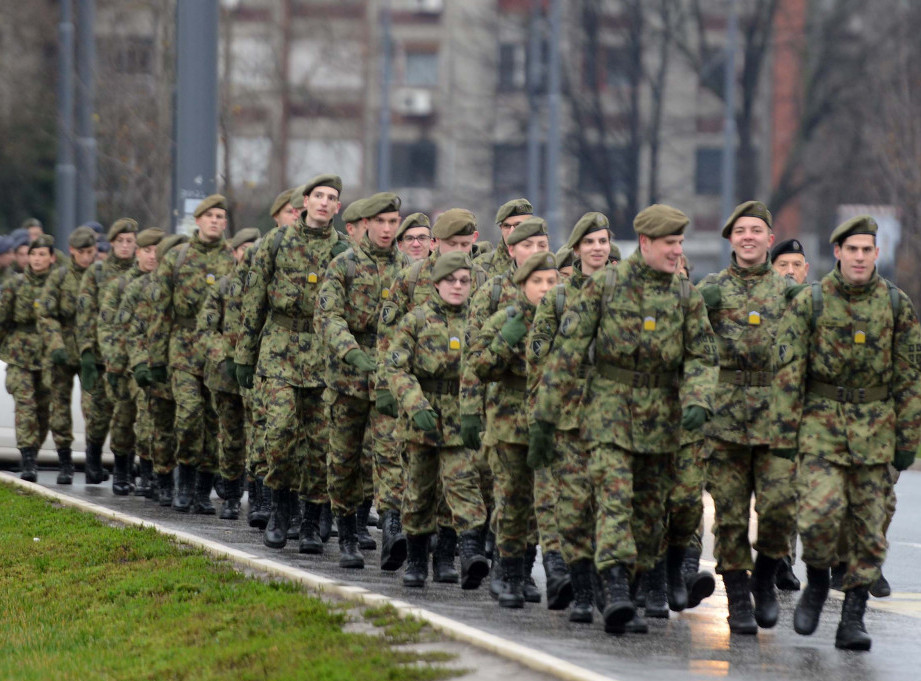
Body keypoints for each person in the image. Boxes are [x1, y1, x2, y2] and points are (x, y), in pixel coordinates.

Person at [530, 205, 718, 635]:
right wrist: (544, 418)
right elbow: (568, 350)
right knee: (614, 501)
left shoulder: (686, 296)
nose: (677, 252)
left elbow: (703, 357)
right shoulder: (604, 287)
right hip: (608, 415)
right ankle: (615, 591)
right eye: (670, 244)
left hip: (663, 423)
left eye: (680, 244)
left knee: (650, 517)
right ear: (647, 243)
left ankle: (632, 584)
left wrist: (698, 399)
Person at [772, 215, 921, 651]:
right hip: (820, 428)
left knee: (870, 530)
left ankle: (853, 617)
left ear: (876, 253)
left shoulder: (896, 305)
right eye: (851, 249)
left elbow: (910, 377)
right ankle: (818, 580)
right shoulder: (811, 303)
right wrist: (784, 433)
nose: (859, 257)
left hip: (876, 431)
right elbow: (787, 373)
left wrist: (908, 437)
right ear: (837, 253)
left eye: (866, 250)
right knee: (818, 518)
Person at [695, 201, 798, 635]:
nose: (749, 237)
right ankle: (738, 598)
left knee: (779, 508)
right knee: (731, 517)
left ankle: (768, 577)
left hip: (777, 420)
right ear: (731, 240)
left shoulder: (791, 293)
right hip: (726, 421)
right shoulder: (712, 290)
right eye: (741, 231)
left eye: (757, 230)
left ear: (770, 240)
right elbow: (691, 347)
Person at [236, 175, 348, 550]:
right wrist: (245, 355)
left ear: (338, 207)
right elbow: (254, 299)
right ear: (304, 201)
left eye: (331, 198)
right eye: (318, 195)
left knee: (319, 445)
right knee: (280, 435)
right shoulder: (277, 241)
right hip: (279, 349)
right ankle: (281, 510)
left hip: (322, 356)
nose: (323, 202)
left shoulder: (343, 251)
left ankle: (312, 522)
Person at [375, 208, 482, 583]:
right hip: (421, 408)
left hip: (462, 407)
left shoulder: (481, 287)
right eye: (452, 245)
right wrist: (400, 398)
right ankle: (418, 559)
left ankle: (457, 554)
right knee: (419, 487)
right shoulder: (412, 285)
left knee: (461, 483)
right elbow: (392, 350)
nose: (458, 280)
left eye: (465, 246)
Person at [315, 192, 409, 570]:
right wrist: (350, 350)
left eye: (393, 222)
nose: (387, 229)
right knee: (344, 459)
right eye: (381, 222)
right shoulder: (344, 266)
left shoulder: (409, 269)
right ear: (366, 224)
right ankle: (349, 533)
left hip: (390, 379)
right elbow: (328, 317)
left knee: (390, 455)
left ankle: (391, 527)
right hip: (348, 377)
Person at [526, 212, 612, 619]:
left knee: (614, 505)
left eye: (603, 241)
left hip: (617, 416)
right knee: (576, 506)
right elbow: (538, 356)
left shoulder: (626, 291)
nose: (598, 248)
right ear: (576, 250)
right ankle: (581, 589)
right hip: (570, 418)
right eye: (589, 242)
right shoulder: (558, 298)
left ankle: (612, 588)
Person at [466, 251, 559, 608]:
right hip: (508, 424)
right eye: (537, 282)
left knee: (542, 504)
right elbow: (479, 367)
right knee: (511, 501)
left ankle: (524, 572)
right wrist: (506, 339)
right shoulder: (506, 319)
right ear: (522, 285)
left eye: (551, 281)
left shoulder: (566, 321)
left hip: (548, 424)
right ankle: (505, 571)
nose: (545, 288)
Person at [147, 195, 235, 513]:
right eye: (208, 215)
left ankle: (201, 490)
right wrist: (155, 359)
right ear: (197, 220)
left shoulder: (232, 261)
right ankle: (183, 481)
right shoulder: (178, 257)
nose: (214, 221)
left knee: (213, 422)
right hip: (182, 347)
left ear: (225, 223)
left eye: (219, 216)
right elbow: (160, 310)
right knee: (188, 414)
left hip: (216, 350)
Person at [98, 227, 165, 494]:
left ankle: (148, 474)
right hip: (125, 363)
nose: (152, 257)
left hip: (153, 363)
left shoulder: (164, 285)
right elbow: (109, 327)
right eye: (147, 251)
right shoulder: (122, 285)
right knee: (123, 419)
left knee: (151, 419)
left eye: (156, 252)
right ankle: (122, 471)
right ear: (138, 253)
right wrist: (114, 364)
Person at [199, 227, 260, 520]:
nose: (248, 253)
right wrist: (224, 354)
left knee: (259, 437)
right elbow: (207, 328)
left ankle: (260, 499)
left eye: (254, 247)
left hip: (257, 374)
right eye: (243, 248)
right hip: (224, 374)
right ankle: (233, 496)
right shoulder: (223, 286)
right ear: (234, 252)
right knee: (231, 437)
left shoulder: (265, 284)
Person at [77, 218, 138, 484]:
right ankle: (92, 462)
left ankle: (123, 470)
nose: (125, 246)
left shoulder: (141, 272)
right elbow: (86, 314)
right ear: (112, 243)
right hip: (102, 357)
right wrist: (88, 352)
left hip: (130, 357)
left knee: (127, 416)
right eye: (120, 241)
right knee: (98, 414)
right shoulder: (97, 272)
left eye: (130, 242)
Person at [128, 234, 189, 505]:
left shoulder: (194, 289)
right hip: (160, 367)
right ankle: (164, 479)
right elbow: (137, 332)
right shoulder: (149, 290)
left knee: (191, 425)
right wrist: (142, 363)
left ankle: (188, 484)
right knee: (162, 428)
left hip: (189, 366)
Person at [38, 226, 98, 484]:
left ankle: (93, 459)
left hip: (90, 351)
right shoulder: (60, 277)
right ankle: (65, 462)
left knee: (94, 407)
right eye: (82, 252)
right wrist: (56, 344)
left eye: (91, 252)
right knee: (60, 407)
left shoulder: (99, 276)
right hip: (63, 348)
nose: (87, 257)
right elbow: (46, 314)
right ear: (72, 251)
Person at [770, 237, 810, 592]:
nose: (790, 271)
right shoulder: (761, 306)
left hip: (800, 413)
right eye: (783, 265)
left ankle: (784, 559)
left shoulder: (816, 307)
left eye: (796, 265)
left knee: (793, 489)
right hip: (759, 412)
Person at [0, 235, 57, 480]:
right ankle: (28, 458)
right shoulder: (14, 284)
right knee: (25, 405)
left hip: (47, 354)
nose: (37, 259)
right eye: (33, 254)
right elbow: (2, 318)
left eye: (42, 254)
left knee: (44, 409)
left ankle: (34, 448)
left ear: (52, 258)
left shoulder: (57, 285)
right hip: (19, 353)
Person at [472, 198, 533, 278]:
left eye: (518, 225)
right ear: (501, 228)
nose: (511, 232)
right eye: (507, 226)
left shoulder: (548, 265)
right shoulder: (480, 266)